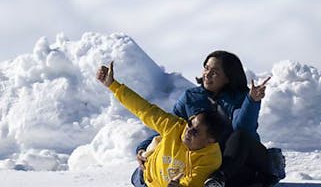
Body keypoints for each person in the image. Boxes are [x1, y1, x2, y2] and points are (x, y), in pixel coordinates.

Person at [135, 51, 280, 187]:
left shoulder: (241, 97)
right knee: (143, 173)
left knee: (240, 137)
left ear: (228, 77)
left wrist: (252, 101)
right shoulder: (191, 97)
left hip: (241, 158)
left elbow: (242, 128)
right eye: (206, 68)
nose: (207, 74)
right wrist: (143, 148)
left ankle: (260, 172)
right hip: (209, 164)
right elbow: (170, 127)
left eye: (215, 72)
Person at [97, 61, 227, 187]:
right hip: (144, 178)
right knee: (154, 144)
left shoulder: (210, 159)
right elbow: (144, 109)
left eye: (195, 132)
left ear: (210, 141)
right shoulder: (175, 126)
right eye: (190, 124)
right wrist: (113, 85)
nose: (188, 131)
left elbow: (190, 184)